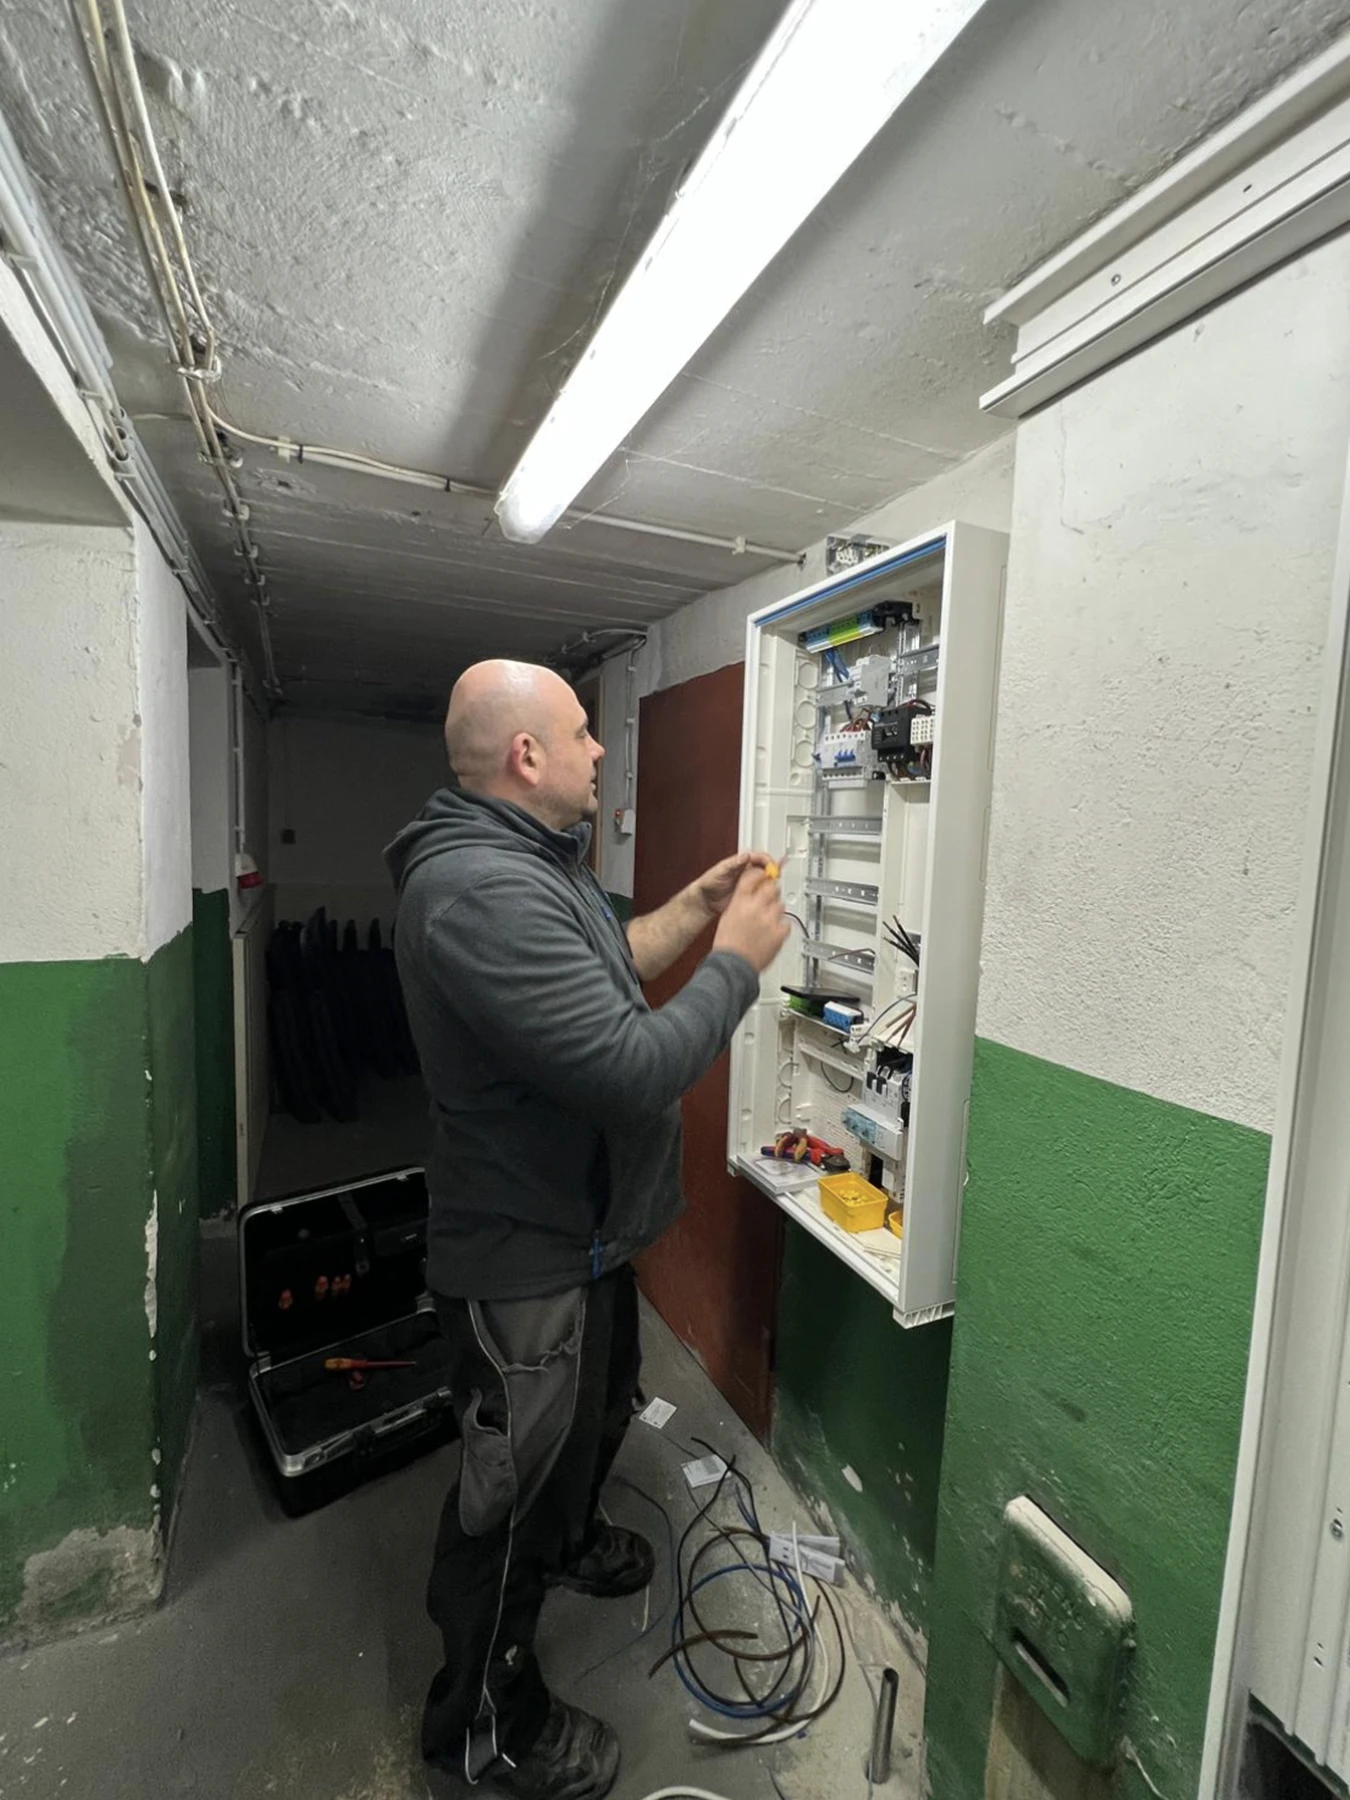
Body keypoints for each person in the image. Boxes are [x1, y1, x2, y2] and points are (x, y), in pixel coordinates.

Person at [386, 658, 788, 1799]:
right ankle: (484, 1724)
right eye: (581, 731)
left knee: (598, 1415)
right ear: (527, 755)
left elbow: (608, 967)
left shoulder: (533, 862)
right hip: (524, 1255)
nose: (602, 748)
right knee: (507, 1500)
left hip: (588, 1238)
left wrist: (694, 914)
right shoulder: (477, 892)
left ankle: (570, 1541)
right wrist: (737, 967)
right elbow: (625, 1067)